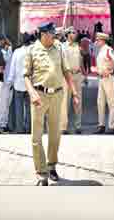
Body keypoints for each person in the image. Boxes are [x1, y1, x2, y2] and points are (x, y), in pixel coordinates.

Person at [24, 22, 80, 186]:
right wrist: (32, 93)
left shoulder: (59, 49)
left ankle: (51, 165)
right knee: (36, 136)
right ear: (43, 34)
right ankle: (41, 173)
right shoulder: (31, 50)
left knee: (55, 135)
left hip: (57, 95)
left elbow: (66, 72)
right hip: (39, 95)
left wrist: (75, 94)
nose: (54, 36)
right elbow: (26, 76)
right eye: (51, 33)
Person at [92, 32, 114, 134]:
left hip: (108, 78)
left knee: (111, 103)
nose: (96, 42)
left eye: (98, 40)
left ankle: (111, 127)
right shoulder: (101, 51)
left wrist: (109, 69)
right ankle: (101, 125)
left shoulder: (108, 49)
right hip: (102, 78)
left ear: (102, 41)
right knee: (100, 102)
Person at [60, 29, 84, 135]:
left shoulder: (77, 46)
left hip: (77, 75)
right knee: (65, 101)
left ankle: (78, 125)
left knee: (78, 101)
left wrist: (84, 74)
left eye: (75, 33)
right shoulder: (62, 46)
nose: (75, 34)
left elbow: (81, 60)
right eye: (73, 33)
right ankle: (63, 126)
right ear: (67, 34)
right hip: (66, 76)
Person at [7, 33, 32, 134]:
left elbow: (12, 68)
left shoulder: (17, 52)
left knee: (19, 108)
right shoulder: (33, 51)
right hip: (30, 84)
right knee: (30, 108)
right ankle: (29, 128)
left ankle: (19, 129)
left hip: (18, 83)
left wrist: (10, 81)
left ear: (22, 41)